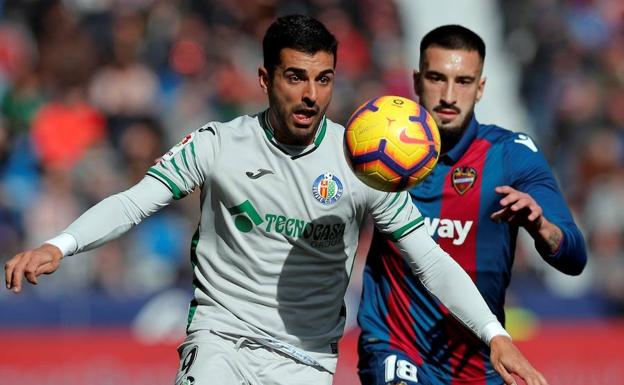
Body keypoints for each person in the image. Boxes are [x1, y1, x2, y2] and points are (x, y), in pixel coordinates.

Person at [5, 16, 546, 385]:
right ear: (265, 78)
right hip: (222, 337)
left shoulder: (364, 163)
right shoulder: (217, 145)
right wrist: (62, 243)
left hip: (305, 359)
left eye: (323, 79)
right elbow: (135, 201)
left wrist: (494, 335)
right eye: (295, 77)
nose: (311, 94)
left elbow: (428, 257)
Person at [357, 24, 587, 385]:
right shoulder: (376, 152)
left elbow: (574, 256)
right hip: (396, 349)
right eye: (437, 78)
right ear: (417, 81)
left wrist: (542, 228)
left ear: (480, 88)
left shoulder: (510, 155)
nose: (449, 95)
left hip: (481, 362)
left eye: (463, 81)